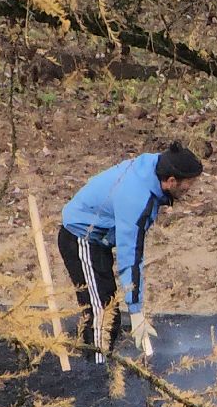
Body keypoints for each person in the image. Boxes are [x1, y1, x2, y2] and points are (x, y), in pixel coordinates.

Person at [58, 142, 202, 362]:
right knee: (102, 314)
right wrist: (135, 311)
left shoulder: (155, 167)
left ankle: (101, 363)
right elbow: (131, 255)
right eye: (188, 183)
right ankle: (95, 373)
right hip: (81, 237)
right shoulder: (136, 198)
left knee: (109, 311)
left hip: (100, 239)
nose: (190, 188)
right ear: (171, 181)